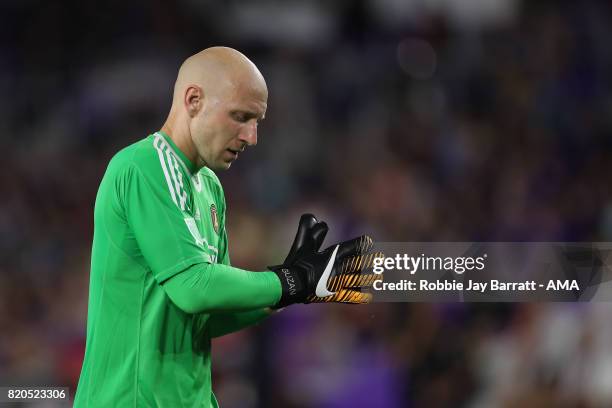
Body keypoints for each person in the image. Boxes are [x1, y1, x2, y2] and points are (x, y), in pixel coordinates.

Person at [74, 47, 379, 407]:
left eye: (257, 122)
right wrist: (291, 280)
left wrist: (289, 289)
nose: (251, 136)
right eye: (240, 117)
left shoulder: (210, 188)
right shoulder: (143, 167)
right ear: (193, 100)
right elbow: (194, 288)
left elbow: (210, 313)